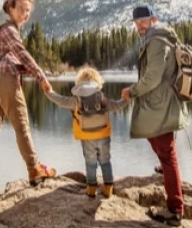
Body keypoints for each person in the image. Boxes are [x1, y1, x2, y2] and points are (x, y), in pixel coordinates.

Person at [0, 0, 57, 192]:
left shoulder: (5, 30)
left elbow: (10, 58)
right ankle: (34, 169)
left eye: (27, 11)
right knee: (22, 126)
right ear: (11, 9)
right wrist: (41, 77)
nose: (24, 14)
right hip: (5, 82)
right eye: (21, 9)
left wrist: (27, 72)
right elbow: (22, 55)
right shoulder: (9, 30)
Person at [121, 5, 188, 227]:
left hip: (159, 105)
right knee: (161, 148)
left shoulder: (157, 41)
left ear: (154, 19)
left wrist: (131, 91)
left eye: (144, 21)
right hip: (159, 104)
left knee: (168, 155)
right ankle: (167, 176)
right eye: (137, 22)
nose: (139, 25)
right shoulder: (156, 38)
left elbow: (153, 77)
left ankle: (174, 209)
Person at [41, 66, 128, 198]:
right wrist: (125, 99)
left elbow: (61, 101)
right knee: (105, 160)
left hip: (86, 136)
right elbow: (117, 105)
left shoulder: (77, 100)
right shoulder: (102, 98)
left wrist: (49, 92)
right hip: (103, 134)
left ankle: (91, 188)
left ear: (79, 82)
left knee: (90, 162)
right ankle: (108, 187)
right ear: (97, 81)